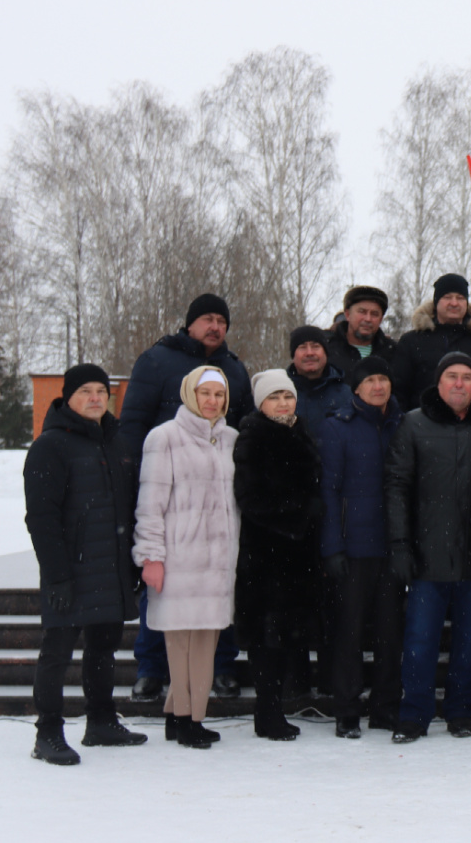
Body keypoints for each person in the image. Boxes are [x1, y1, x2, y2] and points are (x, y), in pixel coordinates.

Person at [119, 293, 250, 702]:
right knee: (164, 585)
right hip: (170, 491)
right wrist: (130, 479)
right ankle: (151, 668)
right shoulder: (157, 361)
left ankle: (222, 666)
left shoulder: (233, 369)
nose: (215, 327)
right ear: (190, 323)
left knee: (219, 584)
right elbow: (133, 422)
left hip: (219, 496)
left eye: (222, 321)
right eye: (208, 319)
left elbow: (243, 427)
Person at [24, 365, 147, 765]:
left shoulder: (117, 442)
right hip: (70, 569)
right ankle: (48, 733)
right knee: (57, 651)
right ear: (68, 397)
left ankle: (101, 722)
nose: (96, 398)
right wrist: (57, 575)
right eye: (86, 391)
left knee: (103, 648)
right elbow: (41, 517)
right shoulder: (50, 445)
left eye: (102, 390)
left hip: (109, 568)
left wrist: (130, 567)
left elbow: (127, 508)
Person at [385, 353, 471, 743]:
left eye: (467, 377)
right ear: (439, 383)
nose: (459, 384)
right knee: (420, 641)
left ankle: (460, 712)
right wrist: (401, 545)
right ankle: (414, 714)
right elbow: (397, 487)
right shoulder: (413, 423)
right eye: (452, 376)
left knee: (470, 641)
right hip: (427, 556)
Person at [133, 365, 241, 749]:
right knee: (181, 647)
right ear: (189, 394)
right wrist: (151, 556)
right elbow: (150, 504)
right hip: (179, 558)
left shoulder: (230, 438)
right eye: (206, 393)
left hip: (218, 562)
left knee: (207, 643)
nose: (213, 402)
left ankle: (174, 716)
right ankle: (190, 720)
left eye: (220, 395)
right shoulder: (164, 438)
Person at [232, 370, 323, 742]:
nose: (283, 403)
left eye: (288, 396)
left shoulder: (299, 430)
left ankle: (276, 709)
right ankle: (266, 713)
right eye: (275, 397)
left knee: (285, 636)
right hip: (266, 555)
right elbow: (249, 497)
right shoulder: (253, 435)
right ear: (261, 403)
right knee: (265, 640)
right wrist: (296, 516)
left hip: (297, 554)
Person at [318, 356, 405, 738]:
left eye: (383, 378)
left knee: (390, 633)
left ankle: (385, 708)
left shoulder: (403, 426)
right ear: (356, 388)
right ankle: (347, 710)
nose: (378, 386)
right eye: (370, 380)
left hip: (393, 547)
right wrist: (332, 546)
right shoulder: (338, 429)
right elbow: (328, 491)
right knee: (349, 634)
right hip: (353, 548)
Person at [392, 272, 471, 401]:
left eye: (460, 298)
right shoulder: (412, 341)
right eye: (447, 297)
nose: (454, 303)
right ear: (436, 302)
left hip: (468, 420)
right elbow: (399, 390)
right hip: (421, 418)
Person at [287, 325, 353, 435]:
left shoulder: (346, 395)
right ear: (293, 355)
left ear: (326, 353)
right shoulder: (279, 394)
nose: (309, 353)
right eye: (303, 347)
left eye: (315, 346)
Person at [326, 285, 396, 377]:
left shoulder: (393, 352)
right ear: (347, 314)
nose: (368, 319)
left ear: (381, 319)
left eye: (374, 314)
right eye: (362, 312)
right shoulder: (326, 347)